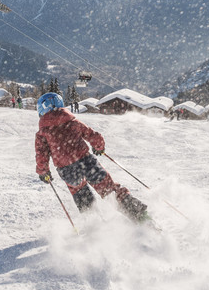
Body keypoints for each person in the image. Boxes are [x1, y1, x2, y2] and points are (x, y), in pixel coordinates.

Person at [34, 92, 149, 223]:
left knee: (80, 192)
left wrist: (43, 171)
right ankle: (138, 214)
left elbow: (41, 154)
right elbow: (91, 134)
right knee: (108, 188)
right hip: (87, 161)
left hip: (67, 169)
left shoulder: (42, 132)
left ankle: (94, 225)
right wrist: (98, 146)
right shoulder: (72, 121)